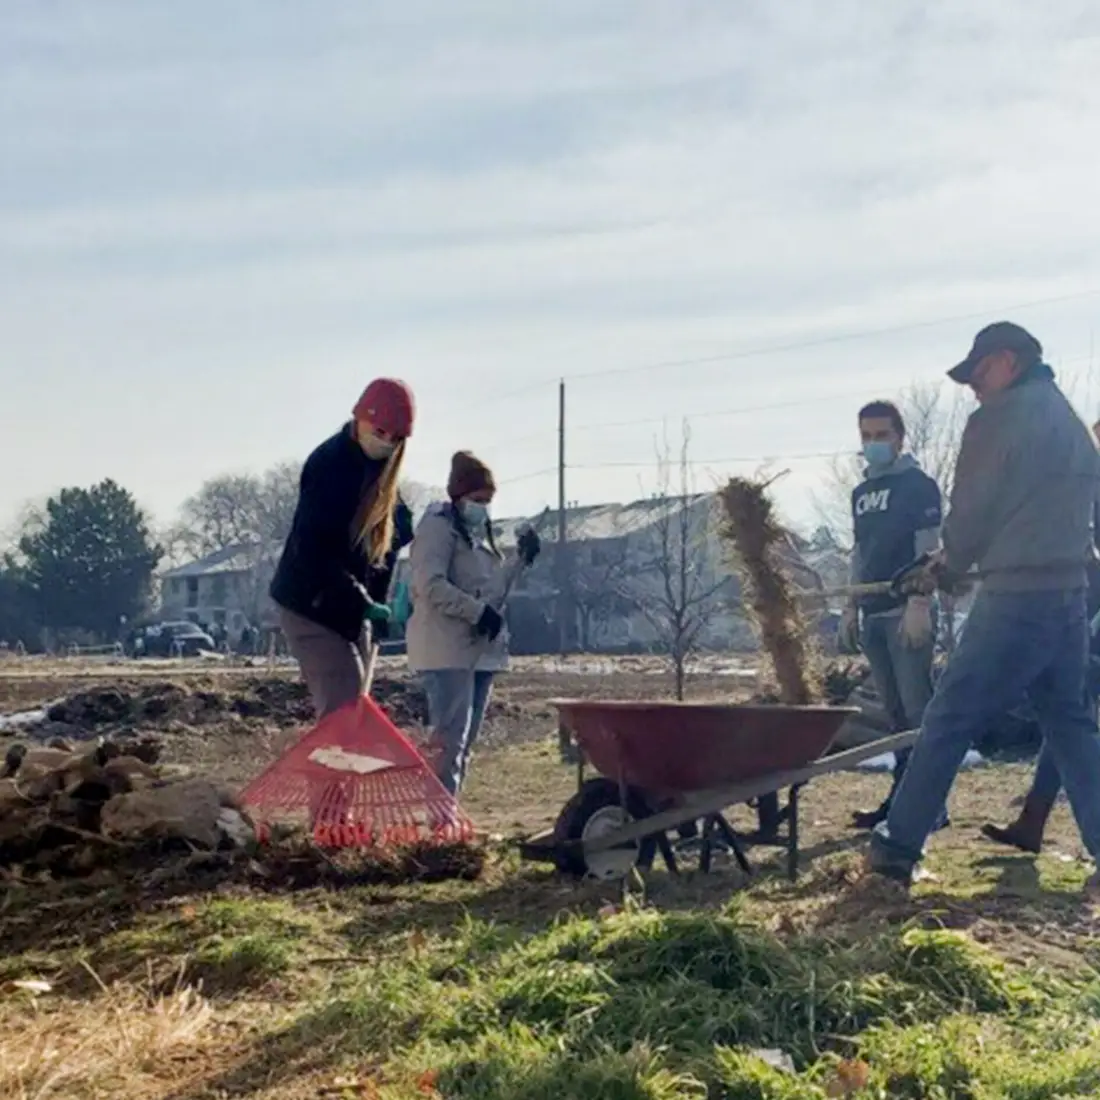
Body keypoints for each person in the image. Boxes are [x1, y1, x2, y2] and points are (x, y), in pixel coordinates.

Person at [868, 322, 1100, 890]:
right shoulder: (1071, 422)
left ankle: (898, 846)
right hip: (1068, 592)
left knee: (949, 717)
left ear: (1006, 362)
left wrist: (942, 569)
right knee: (1068, 721)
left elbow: (973, 510)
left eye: (977, 372)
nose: (972, 385)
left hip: (1017, 595)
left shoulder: (998, 418)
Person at [269, 378, 415, 719]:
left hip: (349, 608)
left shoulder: (384, 475)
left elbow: (383, 549)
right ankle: (330, 772)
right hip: (311, 602)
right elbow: (313, 551)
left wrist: (378, 603)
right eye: (380, 431)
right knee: (344, 708)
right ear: (360, 417)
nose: (386, 442)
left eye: (396, 438)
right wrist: (360, 599)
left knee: (357, 710)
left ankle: (344, 772)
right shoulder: (329, 466)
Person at [406, 452, 540, 796]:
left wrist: (519, 561)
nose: (484, 507)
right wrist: (477, 613)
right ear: (458, 496)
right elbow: (430, 585)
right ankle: (440, 822)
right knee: (448, 744)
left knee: (464, 746)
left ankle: (447, 816)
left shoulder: (476, 535)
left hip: (479, 651)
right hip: (446, 650)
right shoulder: (438, 527)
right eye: (478, 500)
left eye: (489, 501)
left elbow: (491, 592)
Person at [839, 400, 946, 831]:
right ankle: (903, 800)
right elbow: (860, 551)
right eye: (866, 436)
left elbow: (929, 548)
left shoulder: (918, 486)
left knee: (918, 714)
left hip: (906, 612)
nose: (874, 444)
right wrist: (850, 604)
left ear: (900, 437)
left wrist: (920, 603)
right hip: (873, 611)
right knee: (896, 716)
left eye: (882, 435)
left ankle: (929, 806)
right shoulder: (861, 493)